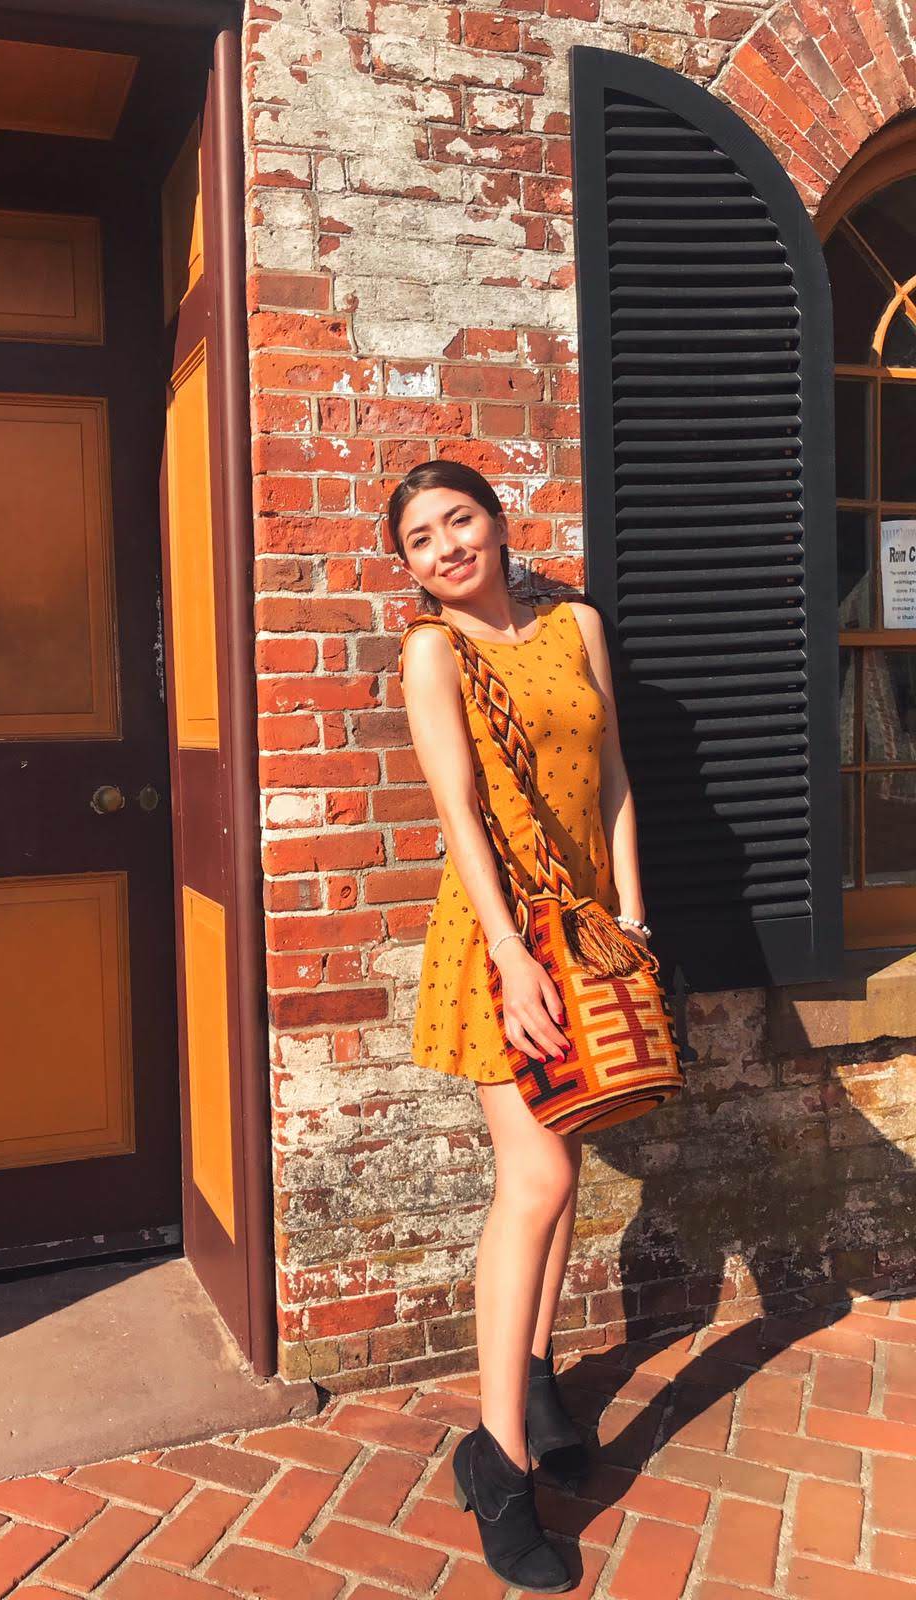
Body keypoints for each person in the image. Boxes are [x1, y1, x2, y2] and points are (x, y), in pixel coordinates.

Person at [392, 458, 651, 1592]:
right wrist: (509, 955)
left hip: (591, 928)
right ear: (409, 568)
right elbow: (457, 810)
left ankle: (539, 1373)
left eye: (460, 521)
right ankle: (497, 1463)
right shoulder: (432, 652)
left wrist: (631, 920)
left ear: (500, 525)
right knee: (535, 1178)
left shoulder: (576, 624)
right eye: (420, 539)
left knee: (577, 1138)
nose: (446, 546)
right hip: (499, 941)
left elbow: (617, 784)